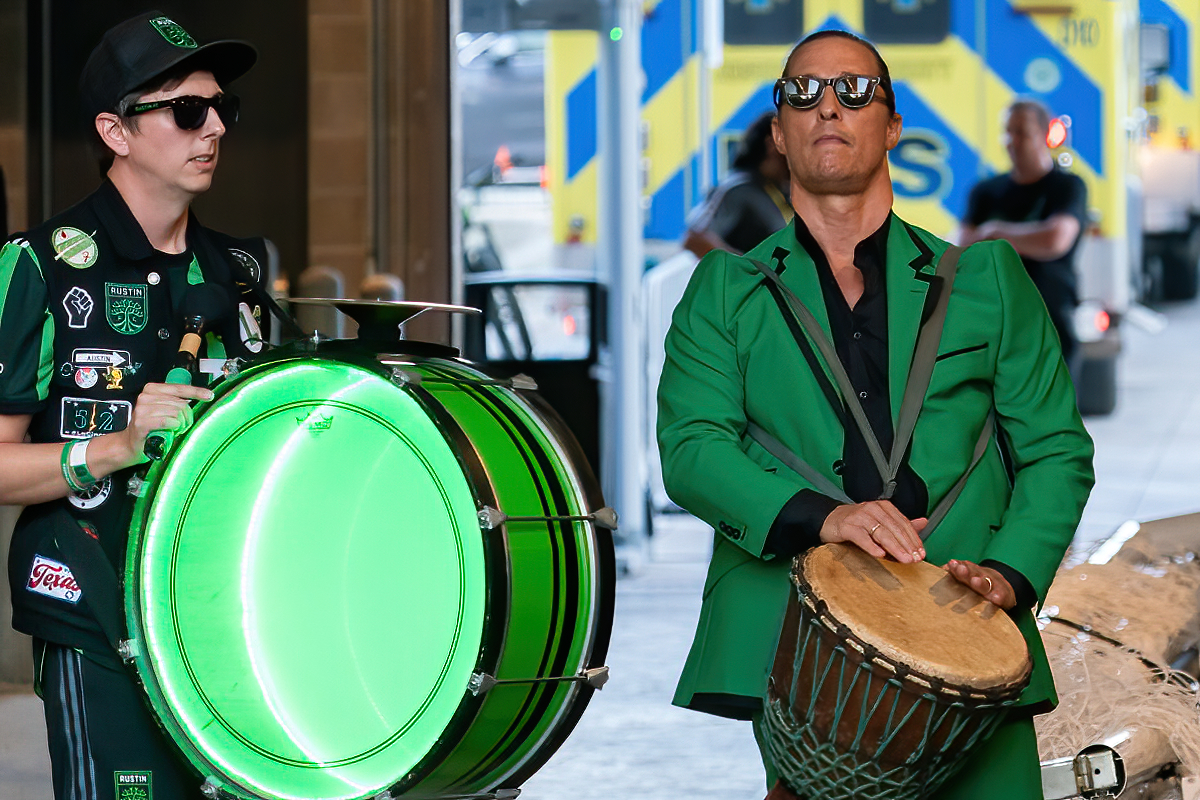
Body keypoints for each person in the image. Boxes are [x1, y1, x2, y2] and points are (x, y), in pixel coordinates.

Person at [657, 29, 1094, 800]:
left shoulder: (987, 279)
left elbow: (1057, 450)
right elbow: (693, 450)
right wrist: (825, 517)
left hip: (974, 646)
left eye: (855, 91)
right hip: (806, 645)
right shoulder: (724, 291)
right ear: (780, 131)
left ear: (892, 127)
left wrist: (1009, 575)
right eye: (804, 93)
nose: (828, 106)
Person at [0, 12, 272, 799]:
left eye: (223, 108)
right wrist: (113, 446)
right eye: (188, 109)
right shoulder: (43, 266)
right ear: (116, 132)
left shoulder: (240, 272)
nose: (214, 126)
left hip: (216, 616)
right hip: (91, 607)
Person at [961, 100, 1088, 381]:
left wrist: (994, 233)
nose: (1012, 141)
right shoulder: (985, 191)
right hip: (993, 329)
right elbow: (960, 246)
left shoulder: (1066, 187)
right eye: (1008, 132)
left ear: (1045, 135)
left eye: (1022, 132)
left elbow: (1055, 239)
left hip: (1048, 325)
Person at [682, 111, 792, 258]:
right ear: (773, 143)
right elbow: (695, 238)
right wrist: (746, 272)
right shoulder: (738, 189)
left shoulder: (780, 192)